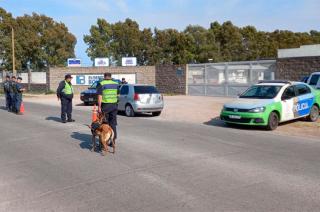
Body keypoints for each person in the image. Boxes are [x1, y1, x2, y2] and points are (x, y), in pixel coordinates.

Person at [97, 73, 119, 144]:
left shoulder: (101, 83)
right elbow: (118, 95)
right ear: (110, 77)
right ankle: (113, 140)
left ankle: (104, 141)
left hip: (105, 105)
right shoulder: (116, 84)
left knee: (104, 123)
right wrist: (116, 102)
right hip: (114, 105)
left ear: (104, 77)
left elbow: (100, 96)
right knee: (113, 123)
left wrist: (99, 107)